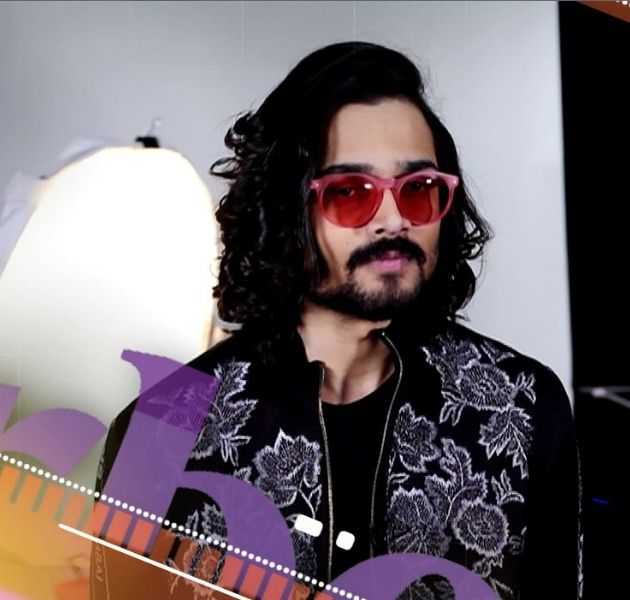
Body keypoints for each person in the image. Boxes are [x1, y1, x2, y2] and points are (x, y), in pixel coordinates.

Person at [93, 41, 582, 600]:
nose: (394, 220)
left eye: (419, 190)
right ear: (285, 210)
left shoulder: (524, 405)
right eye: (350, 193)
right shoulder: (158, 430)